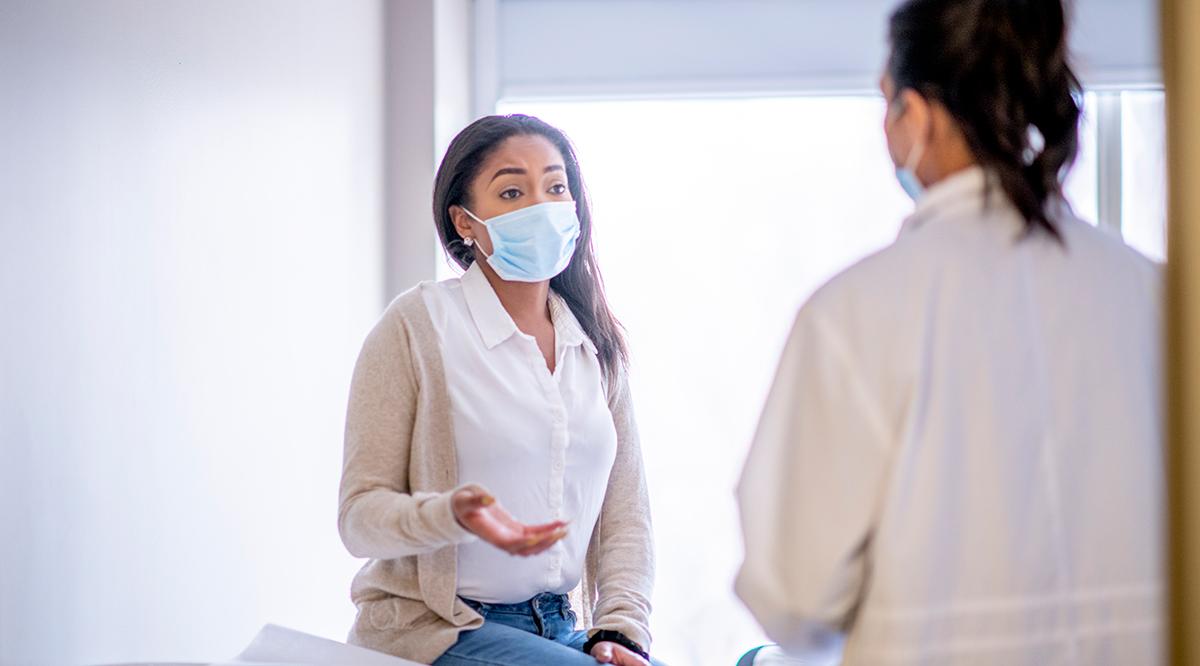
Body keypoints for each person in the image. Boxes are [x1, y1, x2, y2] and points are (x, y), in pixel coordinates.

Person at [736, 1, 1163, 664]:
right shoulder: (1157, 296)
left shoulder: (855, 313)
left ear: (918, 115)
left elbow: (795, 598)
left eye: (887, 104)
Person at [338, 114, 659, 666]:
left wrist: (621, 630)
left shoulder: (595, 345)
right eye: (512, 191)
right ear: (464, 221)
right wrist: (449, 514)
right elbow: (359, 519)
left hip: (560, 627)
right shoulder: (419, 327)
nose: (541, 206)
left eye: (555, 187)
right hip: (438, 628)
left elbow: (625, 515)